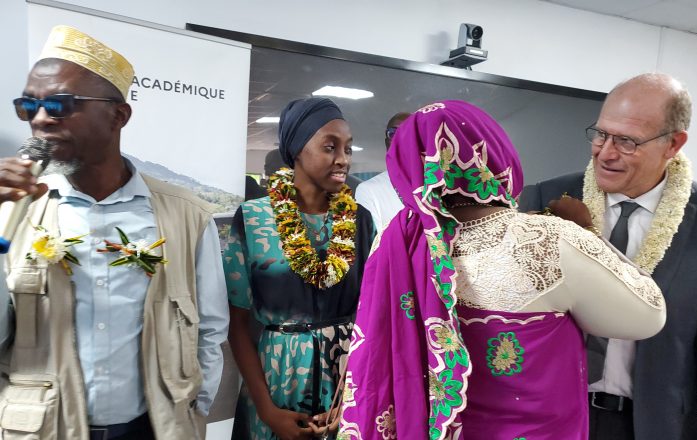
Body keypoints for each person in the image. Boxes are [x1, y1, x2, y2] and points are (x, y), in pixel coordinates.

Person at [339, 100, 665, 439]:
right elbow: (648, 315)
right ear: (494, 153)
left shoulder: (395, 242)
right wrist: (586, 233)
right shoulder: (546, 239)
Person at [0, 26, 229, 439]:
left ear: (118, 116)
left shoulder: (187, 216)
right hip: (45, 429)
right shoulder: (15, 212)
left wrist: (196, 409)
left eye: (60, 104)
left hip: (155, 428)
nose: (40, 119)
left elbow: (210, 330)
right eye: (28, 106)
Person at [519, 73, 697, 440]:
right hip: (552, 418)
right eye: (601, 134)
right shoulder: (546, 199)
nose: (605, 153)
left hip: (653, 427)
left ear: (673, 144)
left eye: (627, 141)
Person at [223, 97, 375, 439]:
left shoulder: (361, 221)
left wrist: (351, 399)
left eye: (348, 148)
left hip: (344, 378)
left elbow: (373, 316)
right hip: (276, 379)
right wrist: (267, 410)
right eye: (330, 147)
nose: (343, 159)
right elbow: (237, 322)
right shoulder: (253, 219)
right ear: (296, 151)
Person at [354, 112, 410, 232]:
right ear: (386, 143)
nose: (399, 139)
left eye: (408, 132)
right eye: (393, 133)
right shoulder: (368, 190)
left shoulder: (436, 187)